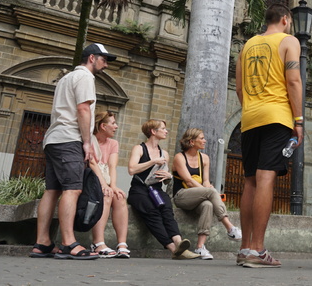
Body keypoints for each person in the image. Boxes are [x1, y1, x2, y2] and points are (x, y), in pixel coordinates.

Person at [29, 43, 116, 260]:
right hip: (69, 139)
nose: (106, 64)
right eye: (104, 59)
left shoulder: (66, 78)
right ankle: (69, 243)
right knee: (73, 189)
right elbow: (83, 109)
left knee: (52, 190)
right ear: (92, 58)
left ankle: (42, 242)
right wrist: (86, 142)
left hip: (54, 139)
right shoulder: (85, 77)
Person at [235, 4, 304, 268]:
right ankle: (258, 249)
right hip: (277, 117)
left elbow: (239, 87)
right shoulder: (289, 41)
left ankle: (245, 248)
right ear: (285, 19)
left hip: (250, 118)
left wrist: (251, 109)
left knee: (250, 181)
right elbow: (293, 80)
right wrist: (298, 120)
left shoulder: (247, 45)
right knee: (266, 179)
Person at [127, 119, 198, 260]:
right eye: (163, 128)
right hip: (139, 190)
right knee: (152, 212)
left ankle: (179, 242)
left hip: (156, 190)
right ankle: (174, 250)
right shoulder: (139, 149)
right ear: (153, 131)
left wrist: (168, 176)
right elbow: (132, 169)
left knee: (167, 210)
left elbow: (164, 178)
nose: (166, 131)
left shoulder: (164, 153)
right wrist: (153, 161)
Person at [172, 128, 243, 260]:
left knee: (208, 205)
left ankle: (200, 247)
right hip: (181, 196)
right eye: (202, 138)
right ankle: (229, 227)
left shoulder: (204, 158)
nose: (205, 141)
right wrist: (208, 191)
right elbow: (188, 181)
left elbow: (205, 180)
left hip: (198, 196)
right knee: (210, 193)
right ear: (192, 141)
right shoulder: (179, 157)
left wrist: (207, 187)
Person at [88, 111, 130, 258]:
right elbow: (92, 164)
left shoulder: (113, 143)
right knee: (106, 195)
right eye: (113, 123)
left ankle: (122, 244)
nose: (116, 126)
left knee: (119, 197)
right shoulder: (89, 140)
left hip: (105, 180)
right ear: (103, 126)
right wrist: (104, 186)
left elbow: (112, 166)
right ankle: (98, 243)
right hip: (90, 180)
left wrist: (113, 186)